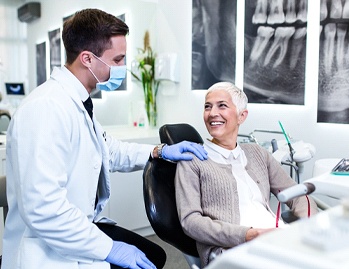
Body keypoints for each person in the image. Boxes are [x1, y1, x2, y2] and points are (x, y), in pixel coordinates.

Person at [2, 8, 207, 269]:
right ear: (87, 58)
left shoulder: (77, 101)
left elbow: (107, 149)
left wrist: (159, 151)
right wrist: (109, 249)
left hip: (77, 230)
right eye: (118, 59)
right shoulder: (44, 109)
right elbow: (44, 210)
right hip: (47, 249)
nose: (122, 68)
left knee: (154, 256)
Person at [175, 82, 318, 267]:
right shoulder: (192, 160)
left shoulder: (257, 153)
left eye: (222, 106)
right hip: (231, 249)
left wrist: (311, 225)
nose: (212, 113)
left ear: (242, 116)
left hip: (276, 238)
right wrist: (248, 234)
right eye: (207, 107)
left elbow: (297, 193)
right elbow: (191, 222)